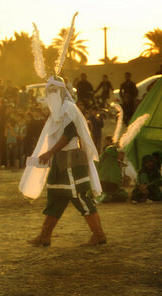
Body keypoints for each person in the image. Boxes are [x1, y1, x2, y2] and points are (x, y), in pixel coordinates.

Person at [21, 76, 106, 247]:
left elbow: (69, 134)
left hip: (71, 161)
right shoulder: (56, 111)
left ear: (61, 90)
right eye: (49, 90)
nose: (51, 94)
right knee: (55, 197)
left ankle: (99, 234)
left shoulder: (69, 109)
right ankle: (44, 236)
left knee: (80, 197)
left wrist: (49, 152)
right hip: (59, 161)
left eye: (54, 90)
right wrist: (49, 154)